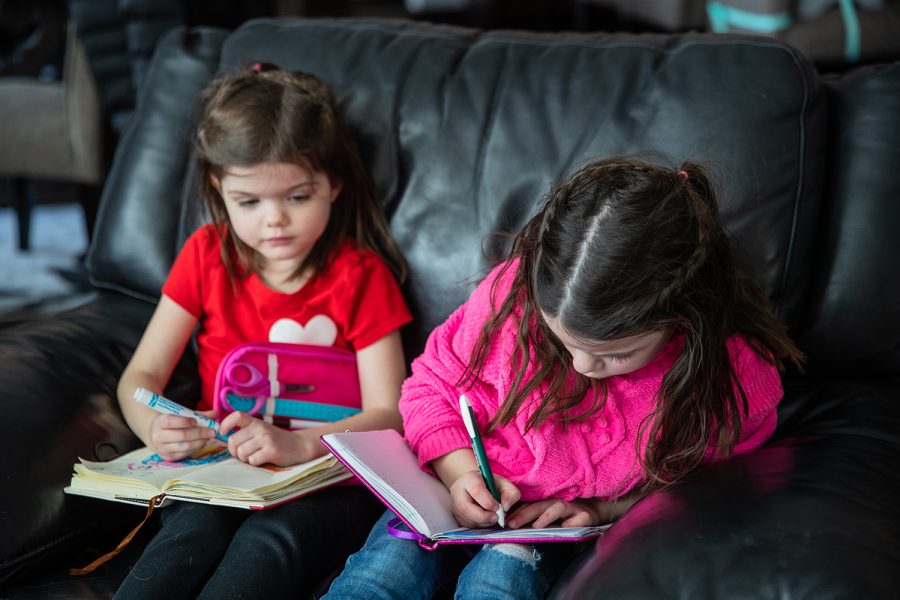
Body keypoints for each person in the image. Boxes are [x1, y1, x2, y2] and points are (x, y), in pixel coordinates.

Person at [324, 157, 804, 599]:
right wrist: (459, 472)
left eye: (615, 354)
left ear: (688, 317)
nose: (581, 366)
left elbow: (707, 486)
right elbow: (430, 386)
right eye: (562, 341)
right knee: (374, 581)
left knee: (498, 584)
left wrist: (601, 512)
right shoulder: (511, 294)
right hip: (444, 498)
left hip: (544, 529)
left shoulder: (733, 381)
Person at [114, 63, 412, 600]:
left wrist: (299, 443)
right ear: (218, 187)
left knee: (269, 545)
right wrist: (153, 427)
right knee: (187, 536)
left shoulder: (362, 277)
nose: (274, 221)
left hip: (324, 478)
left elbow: (388, 412)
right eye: (249, 202)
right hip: (222, 470)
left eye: (297, 197)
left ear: (333, 184)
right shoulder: (206, 255)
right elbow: (140, 375)